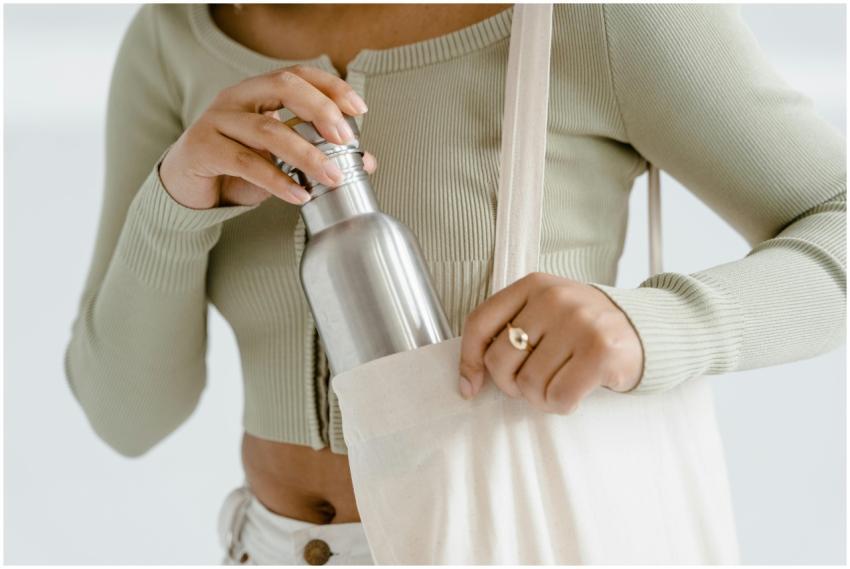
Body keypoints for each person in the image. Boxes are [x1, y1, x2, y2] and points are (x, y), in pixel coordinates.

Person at [64, 3, 846, 565]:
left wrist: (650, 327)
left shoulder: (603, 15)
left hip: (520, 542)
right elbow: (126, 415)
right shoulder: (172, 37)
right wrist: (174, 201)